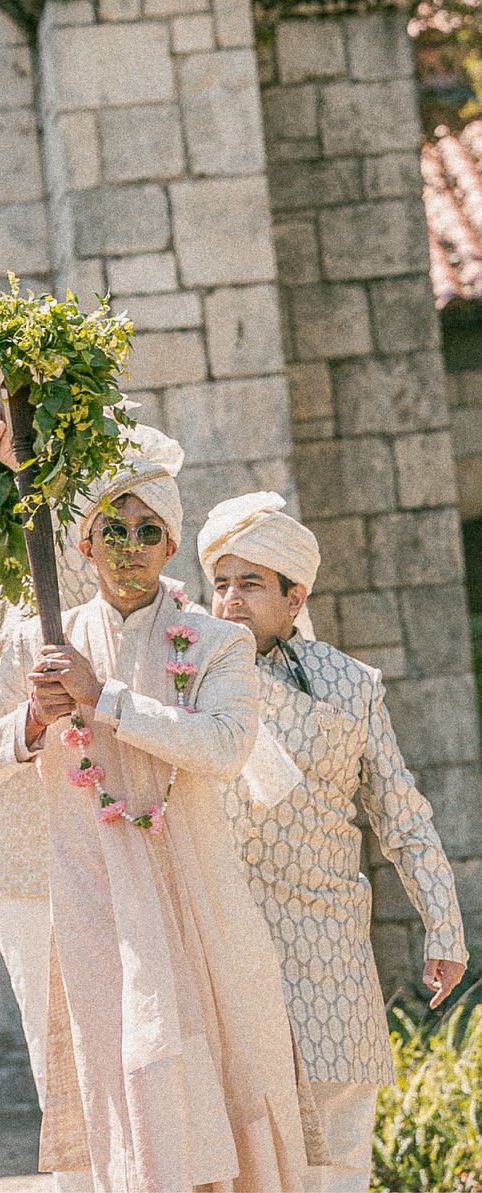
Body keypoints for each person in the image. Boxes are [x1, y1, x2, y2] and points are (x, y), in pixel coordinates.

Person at [0, 425, 313, 1193]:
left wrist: (102, 698)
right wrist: (34, 721)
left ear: (173, 544)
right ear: (84, 543)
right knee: (127, 1067)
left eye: (150, 531)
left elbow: (223, 748)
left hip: (195, 892)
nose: (131, 546)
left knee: (218, 1061)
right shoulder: (42, 643)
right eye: (114, 528)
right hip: (94, 899)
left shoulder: (217, 642)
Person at [202, 492, 468, 1193]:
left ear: (296, 596)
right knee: (243, 1158)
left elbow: (402, 815)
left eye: (250, 583)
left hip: (329, 953)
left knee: (340, 1156)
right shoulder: (183, 680)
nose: (229, 599)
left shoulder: (352, 686)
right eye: (220, 582)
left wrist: (443, 923)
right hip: (225, 952)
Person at [0, 528, 98, 1193]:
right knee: (67, 1079)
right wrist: (15, 720)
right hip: (30, 875)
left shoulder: (126, 569)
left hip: (135, 852)